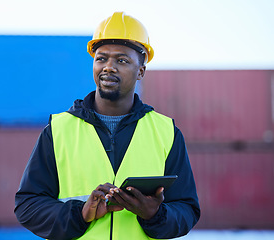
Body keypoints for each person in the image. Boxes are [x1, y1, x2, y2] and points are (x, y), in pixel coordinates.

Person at [14, 12, 200, 240]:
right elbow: (28, 205)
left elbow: (187, 209)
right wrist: (80, 213)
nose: (108, 67)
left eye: (122, 60)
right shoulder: (58, 130)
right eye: (101, 58)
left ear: (141, 71)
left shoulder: (166, 132)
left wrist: (155, 215)